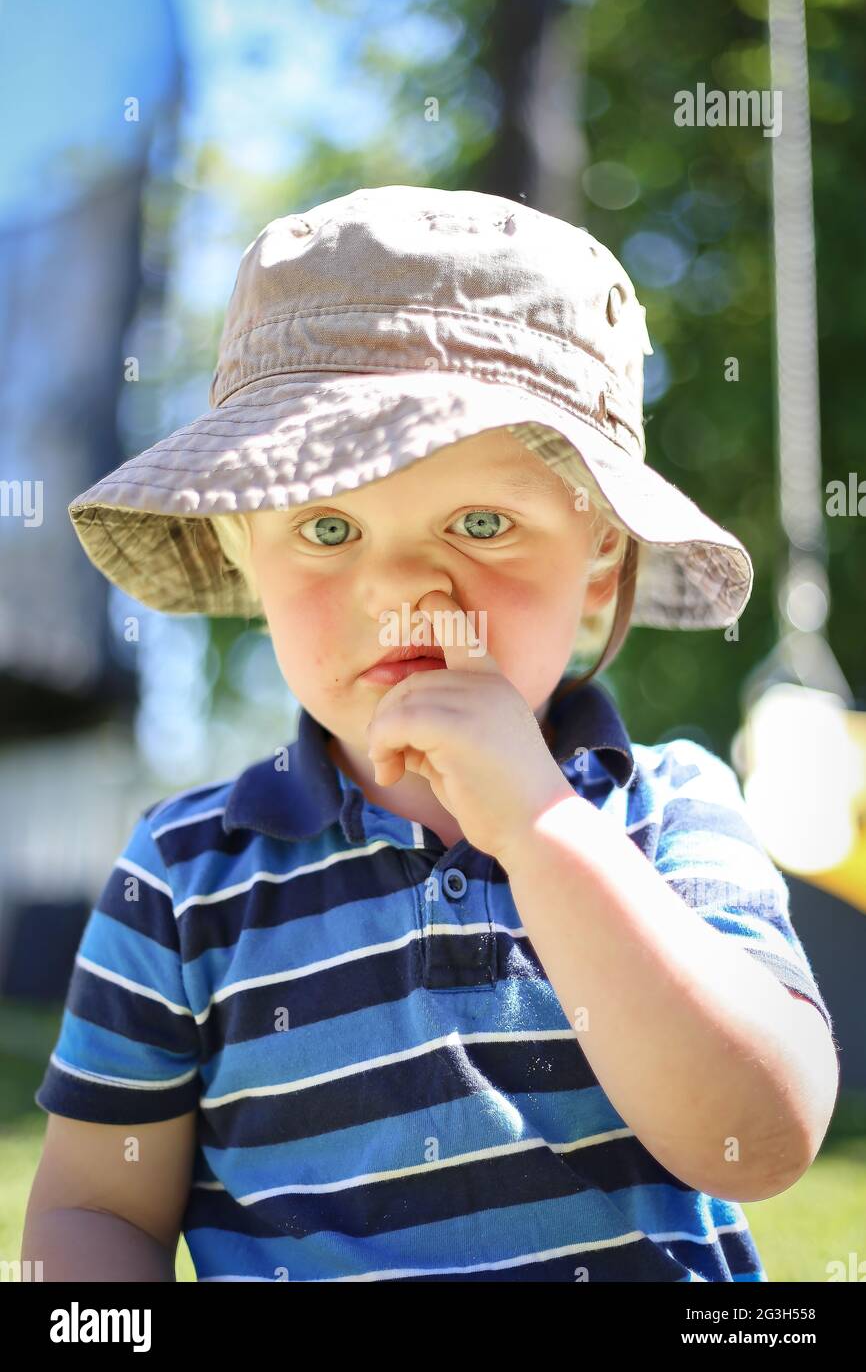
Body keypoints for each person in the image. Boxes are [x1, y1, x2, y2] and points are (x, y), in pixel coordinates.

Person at [23, 185, 839, 1283]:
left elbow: (759, 1137)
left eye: (482, 522)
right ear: (242, 548)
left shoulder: (664, 813)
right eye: (325, 526)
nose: (403, 584)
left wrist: (544, 826)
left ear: (598, 551)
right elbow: (95, 1205)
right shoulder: (180, 882)